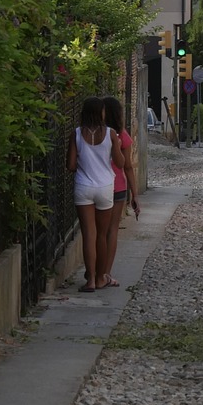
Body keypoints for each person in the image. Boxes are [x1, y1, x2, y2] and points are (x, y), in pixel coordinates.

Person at [66, 96, 125, 292]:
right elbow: (120, 162)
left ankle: (90, 280)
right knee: (102, 235)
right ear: (101, 113)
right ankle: (100, 278)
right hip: (105, 188)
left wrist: (85, 166)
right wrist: (115, 147)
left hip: (83, 187)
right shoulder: (110, 134)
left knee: (88, 235)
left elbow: (71, 165)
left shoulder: (76, 134)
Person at [99, 95, 140, 290]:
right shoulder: (121, 135)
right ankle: (106, 273)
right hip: (118, 188)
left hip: (97, 186)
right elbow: (128, 167)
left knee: (96, 231)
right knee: (111, 231)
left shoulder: (93, 134)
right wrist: (135, 195)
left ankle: (95, 273)